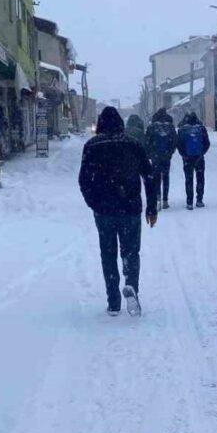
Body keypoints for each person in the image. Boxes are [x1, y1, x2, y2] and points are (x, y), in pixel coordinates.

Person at [79, 107, 159, 316]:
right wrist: (151, 208)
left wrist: (93, 203)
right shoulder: (133, 144)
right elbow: (149, 176)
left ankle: (113, 300)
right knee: (131, 252)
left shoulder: (92, 146)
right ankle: (132, 286)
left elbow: (84, 180)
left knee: (108, 253)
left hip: (104, 211)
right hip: (130, 208)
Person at [176, 112, 211, 210]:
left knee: (189, 179)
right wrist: (201, 153)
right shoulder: (201, 129)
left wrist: (184, 155)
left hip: (187, 159)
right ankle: (199, 200)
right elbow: (207, 143)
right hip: (199, 158)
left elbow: (178, 144)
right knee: (200, 178)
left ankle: (189, 202)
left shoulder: (182, 130)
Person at [145, 108, 177, 210]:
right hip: (166, 156)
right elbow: (175, 141)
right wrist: (170, 152)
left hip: (155, 157)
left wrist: (151, 154)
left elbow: (147, 142)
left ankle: (158, 199)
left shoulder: (152, 127)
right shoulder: (170, 126)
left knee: (156, 177)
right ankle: (165, 200)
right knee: (166, 177)